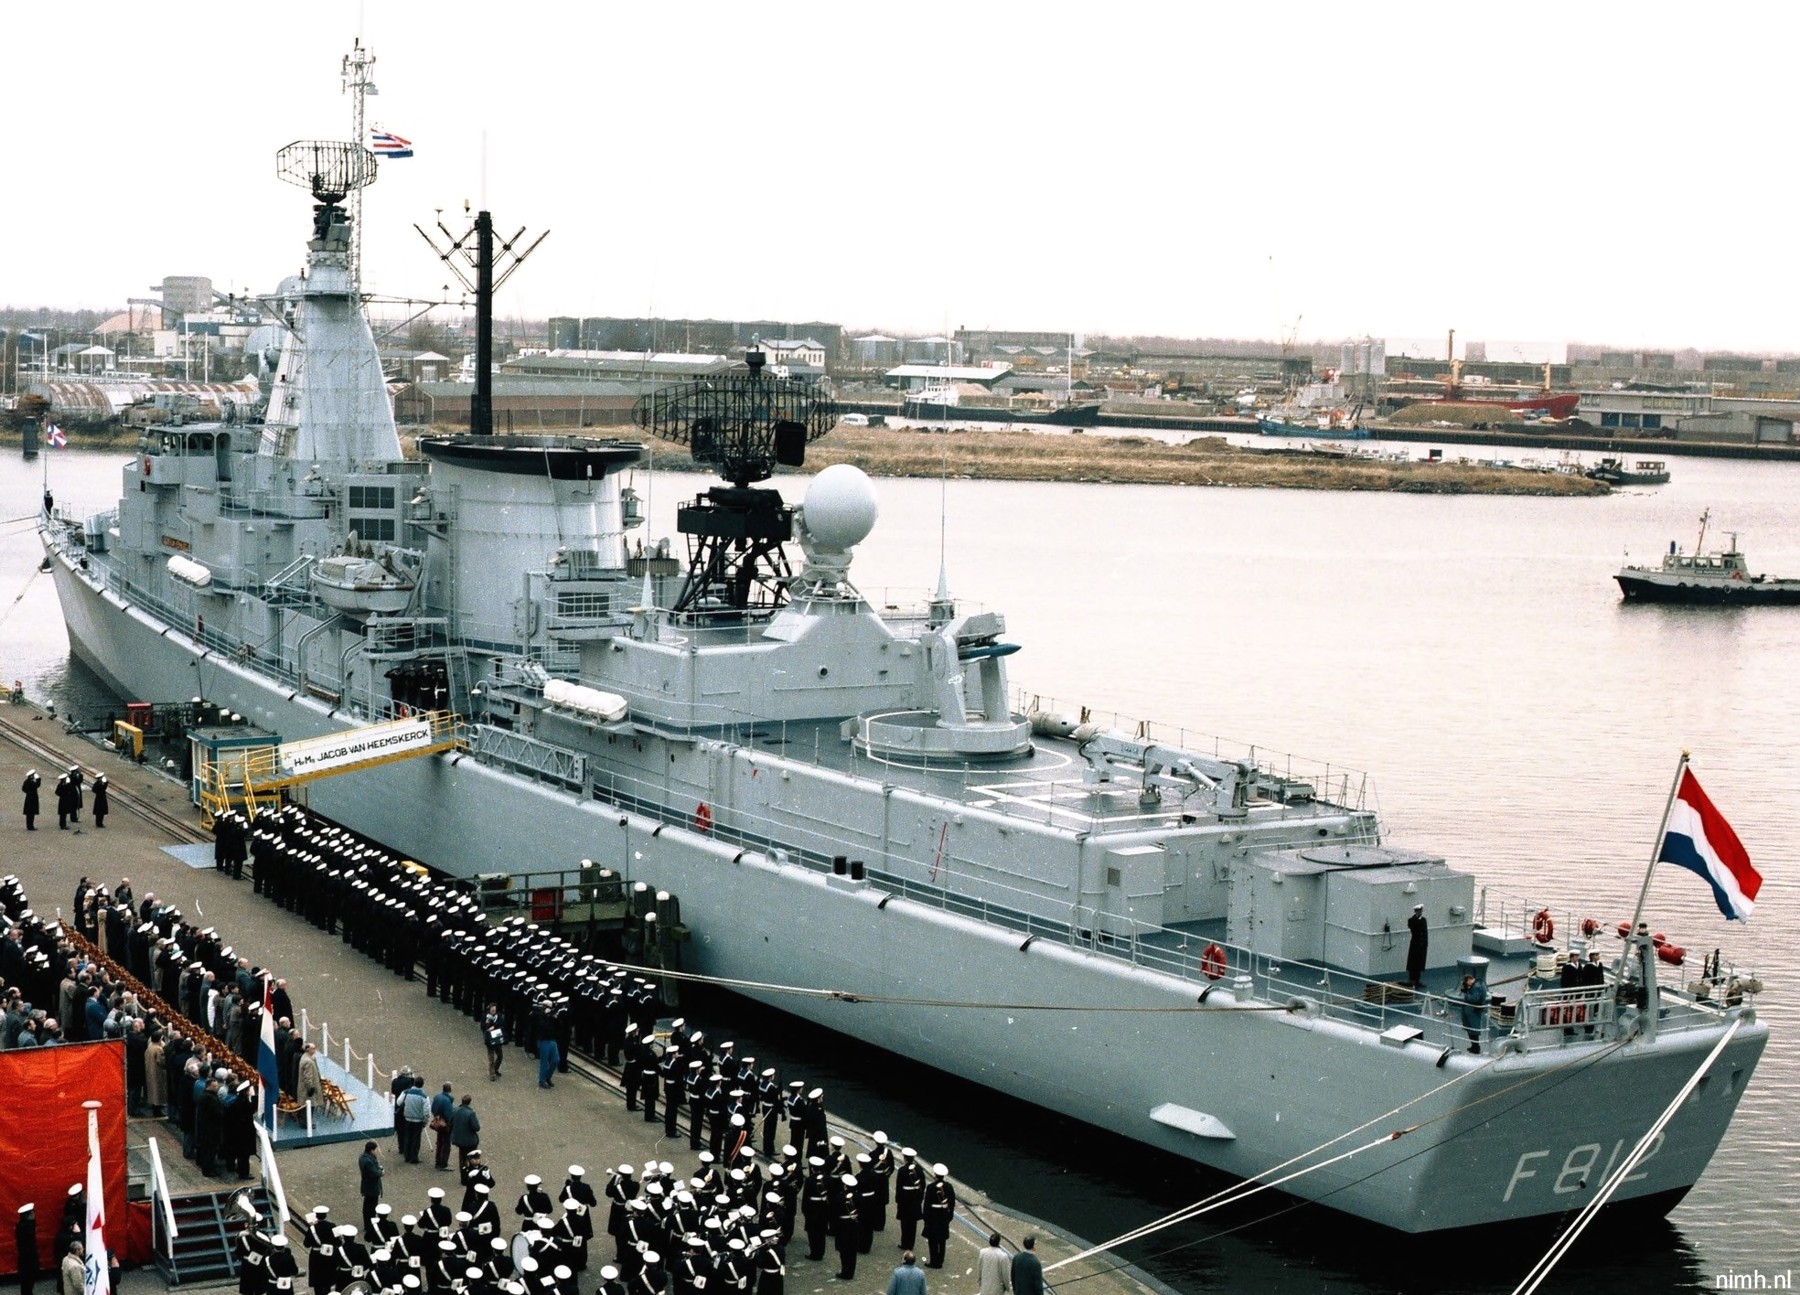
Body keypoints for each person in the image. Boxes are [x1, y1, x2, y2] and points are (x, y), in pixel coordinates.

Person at [919, 1165, 955, 1269]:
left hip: (933, 1216)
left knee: (933, 1240)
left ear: (935, 1175)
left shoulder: (931, 1187)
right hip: (944, 1216)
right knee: (942, 1240)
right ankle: (940, 1260)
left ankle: (934, 1261)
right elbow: (951, 1203)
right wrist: (950, 1216)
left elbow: (926, 1204)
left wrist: (926, 1218)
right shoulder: (949, 1187)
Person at [399, 1077, 429, 1164]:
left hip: (407, 1118)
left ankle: (407, 1156)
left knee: (407, 1137)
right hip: (418, 1120)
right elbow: (426, 1112)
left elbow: (398, 1102)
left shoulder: (406, 1092)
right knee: (416, 1139)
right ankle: (414, 1157)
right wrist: (425, 1122)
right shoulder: (424, 1096)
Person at [448, 1094, 481, 1168]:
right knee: (473, 1158)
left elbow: (450, 1122)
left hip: (459, 1140)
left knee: (462, 1159)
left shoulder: (455, 1110)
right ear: (469, 1102)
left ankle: (463, 1175)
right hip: (470, 1141)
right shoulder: (471, 1113)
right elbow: (476, 1127)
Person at [360, 1141, 384, 1236]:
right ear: (371, 1150)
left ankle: (367, 1224)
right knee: (371, 1207)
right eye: (376, 1149)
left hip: (366, 1186)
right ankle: (370, 1226)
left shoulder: (363, 1158)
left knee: (367, 1206)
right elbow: (374, 1173)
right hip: (372, 1187)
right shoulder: (369, 1161)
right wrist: (381, 1172)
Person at [1459, 973, 1487, 1054]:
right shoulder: (1479, 984)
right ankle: (1474, 1046)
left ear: (1469, 980)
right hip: (1474, 1011)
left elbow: (1474, 999)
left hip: (1473, 1012)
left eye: (1466, 982)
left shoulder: (1476, 987)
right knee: (1472, 1030)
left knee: (1472, 1030)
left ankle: (1475, 1047)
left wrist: (1467, 994)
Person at [430, 1083, 455, 1170]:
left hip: (438, 1122)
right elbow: (449, 1115)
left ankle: (437, 1161)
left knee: (439, 1142)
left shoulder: (437, 1097)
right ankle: (443, 1163)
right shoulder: (448, 1100)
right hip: (445, 1125)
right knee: (446, 1144)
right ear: (450, 1090)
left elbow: (432, 1108)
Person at [16, 1203, 39, 1295]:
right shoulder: (27, 1227)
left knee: (26, 1282)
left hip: (25, 1259)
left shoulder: (22, 1225)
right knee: (28, 1281)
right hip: (28, 1259)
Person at [1405, 903, 1427, 989]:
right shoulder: (1411, 920)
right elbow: (1412, 927)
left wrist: (1425, 944)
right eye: (1418, 911)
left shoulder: (1424, 920)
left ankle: (1417, 980)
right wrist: (1417, 918)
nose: (1419, 912)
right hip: (1415, 945)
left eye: (1420, 911)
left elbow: (1425, 933)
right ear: (1415, 911)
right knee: (1413, 963)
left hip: (1422, 946)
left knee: (1419, 963)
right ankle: (1411, 980)